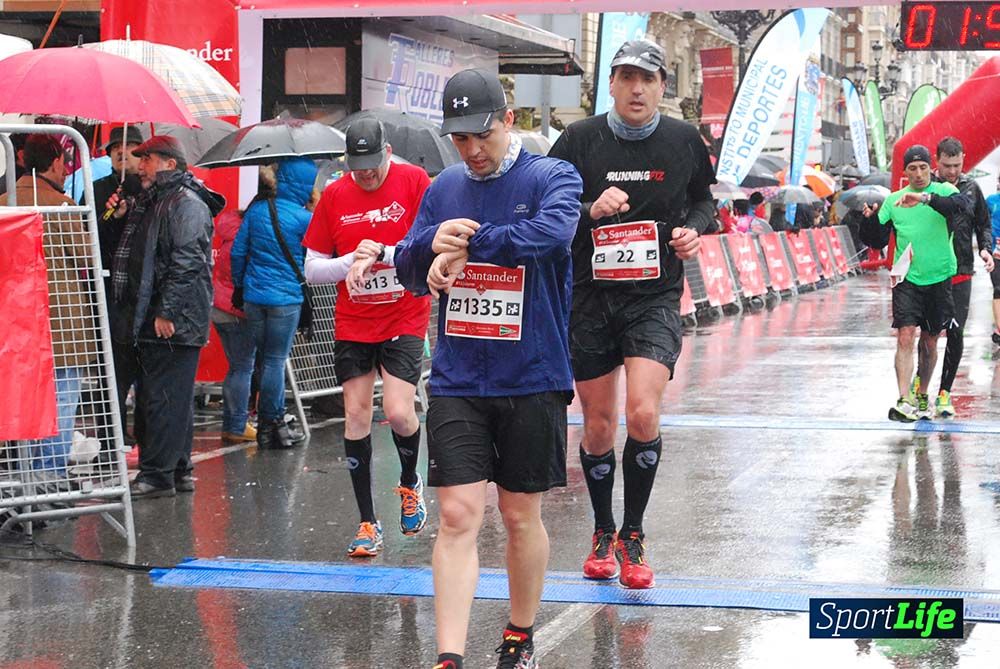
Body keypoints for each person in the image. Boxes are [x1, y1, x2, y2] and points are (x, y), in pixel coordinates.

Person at [394, 68, 582, 669]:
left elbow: (551, 235)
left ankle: (519, 634)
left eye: (481, 135)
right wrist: (428, 250)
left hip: (532, 373)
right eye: (460, 139)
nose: (471, 150)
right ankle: (448, 655)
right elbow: (404, 262)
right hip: (458, 378)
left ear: (507, 120)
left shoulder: (553, 174)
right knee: (455, 514)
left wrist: (473, 245)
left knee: (519, 513)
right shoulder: (444, 186)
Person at [548, 39, 713, 590]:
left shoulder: (684, 139)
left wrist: (694, 229)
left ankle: (633, 534)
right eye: (626, 77)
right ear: (612, 85)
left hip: (653, 297)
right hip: (590, 298)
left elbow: (703, 200)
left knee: (642, 415)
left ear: (664, 86)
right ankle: (602, 528)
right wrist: (588, 209)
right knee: (597, 425)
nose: (637, 88)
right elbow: (546, 209)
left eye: (647, 78)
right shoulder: (577, 139)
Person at [302, 116, 432, 557]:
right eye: (359, 167)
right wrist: (349, 264)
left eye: (374, 164)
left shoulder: (415, 182)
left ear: (388, 152)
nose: (368, 174)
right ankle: (367, 522)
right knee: (356, 416)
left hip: (404, 314)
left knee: (397, 411)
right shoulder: (336, 194)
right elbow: (313, 268)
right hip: (354, 320)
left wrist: (384, 253)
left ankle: (410, 482)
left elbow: (430, 244)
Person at [108, 135, 223, 498]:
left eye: (147, 159)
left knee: (161, 397)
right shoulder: (155, 200)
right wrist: (118, 214)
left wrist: (167, 311)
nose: (139, 165)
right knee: (167, 396)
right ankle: (176, 469)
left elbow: (186, 261)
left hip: (172, 319)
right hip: (156, 316)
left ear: (169, 164)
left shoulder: (184, 203)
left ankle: (158, 474)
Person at [0, 134, 97, 477]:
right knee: (61, 406)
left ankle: (22, 480)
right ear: (56, 163)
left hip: (17, 322)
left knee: (22, 404)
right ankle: (50, 480)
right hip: (62, 325)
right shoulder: (62, 205)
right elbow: (88, 255)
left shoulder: (4, 201)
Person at [860, 144, 971, 422]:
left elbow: (961, 208)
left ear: (930, 167)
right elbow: (876, 239)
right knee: (906, 334)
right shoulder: (894, 200)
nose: (919, 173)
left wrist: (922, 199)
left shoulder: (944, 191)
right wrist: (869, 221)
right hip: (907, 277)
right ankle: (904, 399)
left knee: (930, 342)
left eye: (923, 167)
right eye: (912, 168)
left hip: (939, 276)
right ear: (905, 171)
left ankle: (922, 392)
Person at [231, 157, 317, 450]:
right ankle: (272, 423)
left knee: (263, 359)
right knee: (276, 361)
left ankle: (269, 424)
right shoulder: (306, 219)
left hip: (254, 297)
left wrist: (240, 284)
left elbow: (238, 252)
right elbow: (312, 260)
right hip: (286, 299)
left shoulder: (257, 210)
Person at [926, 137, 995, 417]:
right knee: (929, 333)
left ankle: (944, 392)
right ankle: (920, 386)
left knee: (955, 332)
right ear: (936, 161)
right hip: (930, 271)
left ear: (964, 159)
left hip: (962, 270)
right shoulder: (925, 188)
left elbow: (983, 224)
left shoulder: (971, 188)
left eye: (956, 165)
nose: (952, 172)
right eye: (946, 166)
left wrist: (987, 249)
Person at [93, 125, 145, 457]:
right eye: (116, 149)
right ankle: (111, 433)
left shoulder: (148, 188)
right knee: (114, 365)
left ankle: (144, 432)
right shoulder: (97, 188)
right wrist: (112, 215)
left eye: (130, 149)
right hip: (110, 284)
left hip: (141, 285)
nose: (122, 152)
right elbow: (93, 230)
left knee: (144, 366)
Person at [212, 201, 259, 444]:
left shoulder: (231, 231)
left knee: (236, 368)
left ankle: (231, 424)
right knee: (243, 368)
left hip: (218, 306)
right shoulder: (250, 237)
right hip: (238, 310)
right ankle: (238, 424)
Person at [985, 176, 1000, 346]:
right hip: (996, 253)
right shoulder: (991, 201)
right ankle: (999, 328)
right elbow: (982, 223)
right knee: (998, 288)